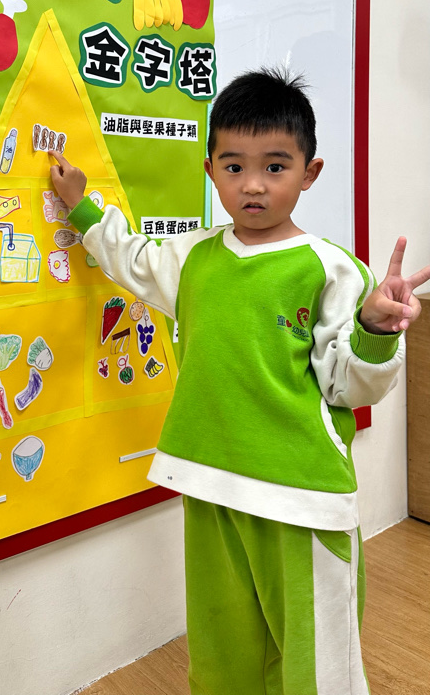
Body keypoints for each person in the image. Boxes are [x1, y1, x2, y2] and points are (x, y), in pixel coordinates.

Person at [49, 67, 430, 695]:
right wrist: (81, 205)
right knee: (223, 653)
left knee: (316, 661)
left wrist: (373, 330)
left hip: (301, 497)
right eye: (233, 166)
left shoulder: (334, 270)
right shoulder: (193, 257)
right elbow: (132, 259)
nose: (253, 184)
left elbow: (351, 387)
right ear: (211, 171)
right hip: (207, 481)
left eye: (275, 167)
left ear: (310, 173)